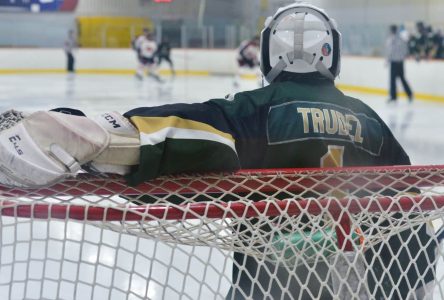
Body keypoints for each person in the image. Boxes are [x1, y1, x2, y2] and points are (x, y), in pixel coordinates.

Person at [0, 4, 436, 299]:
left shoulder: (252, 111)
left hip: (269, 285)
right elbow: (410, 216)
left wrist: (70, 133)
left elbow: (176, 136)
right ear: (333, 54)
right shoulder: (372, 124)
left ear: (269, 53)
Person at [386, 24, 413, 103]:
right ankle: (410, 94)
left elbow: (390, 51)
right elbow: (406, 50)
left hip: (394, 62)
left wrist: (388, 60)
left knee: (392, 80)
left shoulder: (391, 39)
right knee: (402, 78)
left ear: (391, 30)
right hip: (400, 62)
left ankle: (393, 97)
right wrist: (401, 58)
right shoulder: (401, 39)